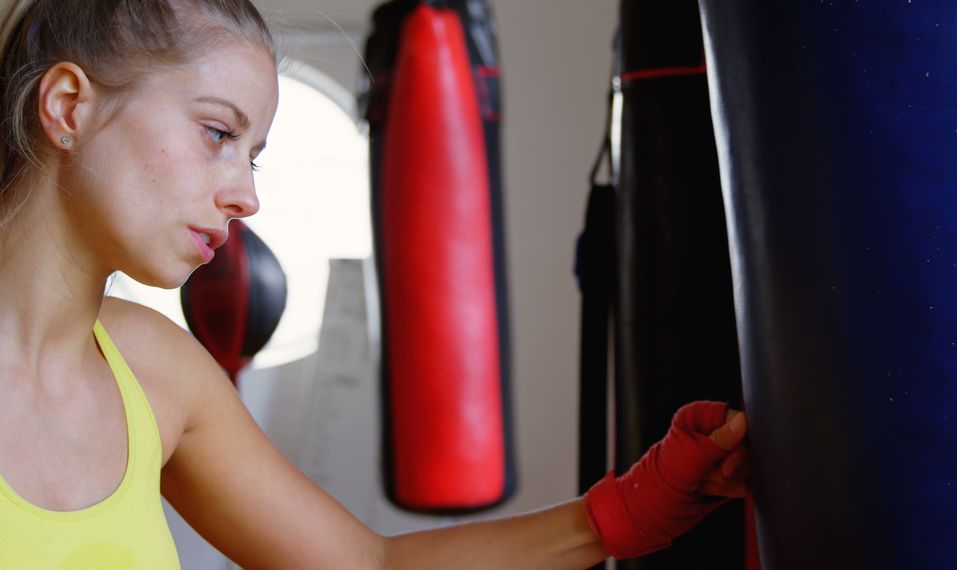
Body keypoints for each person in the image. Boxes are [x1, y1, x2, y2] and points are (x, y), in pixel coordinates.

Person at [0, 0, 750, 568]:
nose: (246, 197)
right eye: (218, 133)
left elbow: (367, 564)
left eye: (252, 157)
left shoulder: (156, 371)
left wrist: (631, 509)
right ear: (69, 107)